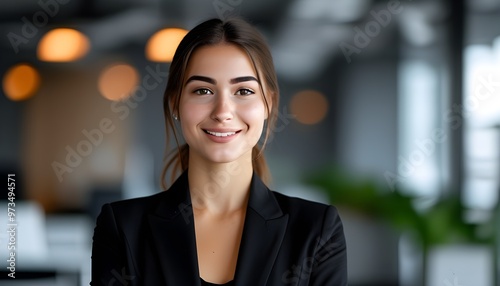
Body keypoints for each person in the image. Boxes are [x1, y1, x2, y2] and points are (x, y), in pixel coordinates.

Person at [91, 17, 347, 286]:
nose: (223, 112)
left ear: (269, 104)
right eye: (203, 90)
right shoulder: (123, 227)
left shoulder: (317, 230)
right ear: (175, 103)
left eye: (244, 90)